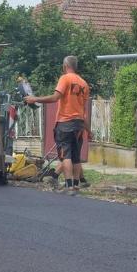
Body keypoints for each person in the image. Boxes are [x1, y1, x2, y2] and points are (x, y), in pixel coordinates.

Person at [25, 56, 90, 194]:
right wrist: (88, 130)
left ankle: (69, 186)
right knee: (76, 156)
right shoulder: (84, 84)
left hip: (65, 123)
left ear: (65, 65)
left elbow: (55, 97)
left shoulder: (65, 78)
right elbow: (84, 111)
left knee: (65, 156)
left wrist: (34, 99)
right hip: (79, 124)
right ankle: (77, 185)